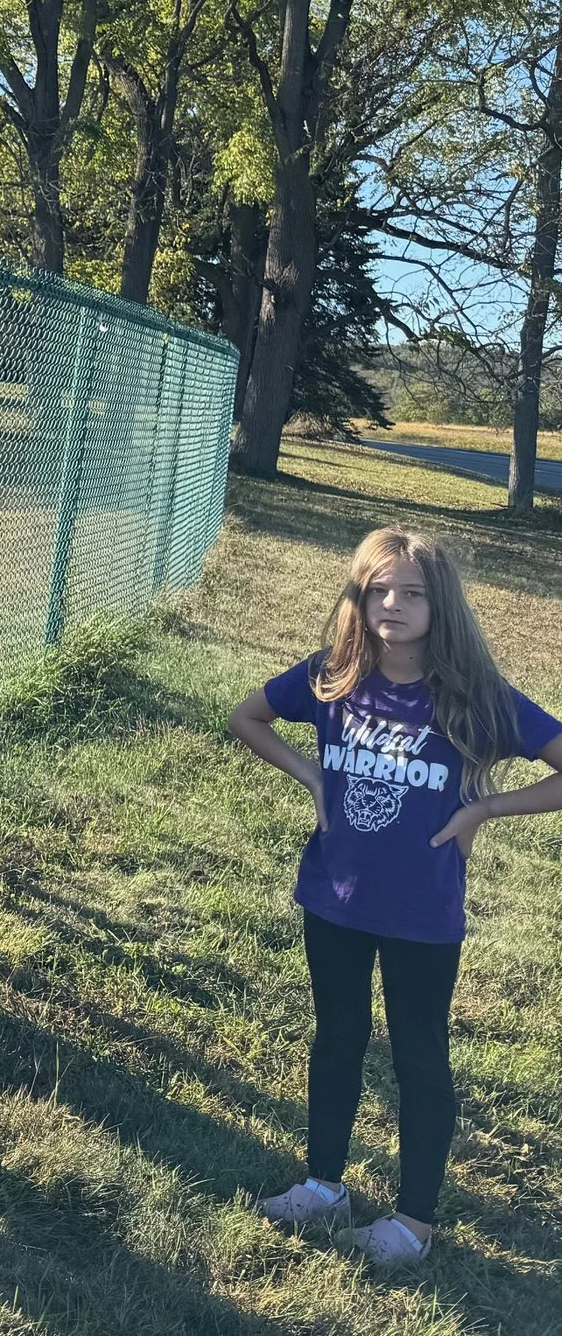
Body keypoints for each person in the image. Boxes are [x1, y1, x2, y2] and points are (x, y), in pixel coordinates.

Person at [230, 527, 562, 1269]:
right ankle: (323, 1184)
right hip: (335, 898)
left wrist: (484, 809)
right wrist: (311, 775)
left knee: (419, 1057)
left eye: (411, 592)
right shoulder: (333, 676)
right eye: (378, 589)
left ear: (439, 604)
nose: (392, 604)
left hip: (422, 915)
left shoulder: (476, 699)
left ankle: (413, 1222)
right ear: (358, 596)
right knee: (336, 1038)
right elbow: (246, 716)